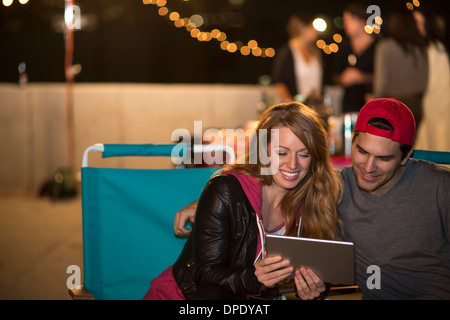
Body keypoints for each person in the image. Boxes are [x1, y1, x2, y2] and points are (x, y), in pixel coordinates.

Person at [175, 98, 450, 300]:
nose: (368, 167)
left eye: (384, 158)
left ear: (406, 155)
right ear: (351, 142)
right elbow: (243, 192)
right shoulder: (336, 186)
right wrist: (207, 204)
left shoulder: (439, 185)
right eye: (362, 152)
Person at [144, 102, 343, 300]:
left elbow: (310, 273)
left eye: (304, 154)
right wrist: (252, 279)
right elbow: (206, 276)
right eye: (281, 152)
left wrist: (314, 290)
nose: (293, 164)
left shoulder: (314, 199)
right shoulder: (226, 190)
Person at [372, 6, 428, 130]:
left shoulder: (385, 47)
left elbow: (382, 82)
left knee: (393, 146)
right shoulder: (421, 48)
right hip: (418, 105)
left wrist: (374, 103)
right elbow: (425, 81)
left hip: (393, 107)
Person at [413, 7, 450, 152]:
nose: (417, 27)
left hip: (440, 101)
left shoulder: (435, 48)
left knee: (440, 138)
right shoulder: (430, 47)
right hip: (431, 100)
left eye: (420, 22)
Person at [333, 3, 378, 113]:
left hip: (372, 104)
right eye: (345, 21)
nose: (346, 25)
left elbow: (384, 77)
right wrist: (343, 78)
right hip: (348, 106)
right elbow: (335, 76)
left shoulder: (378, 47)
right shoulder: (345, 48)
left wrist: (362, 77)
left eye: (350, 20)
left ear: (362, 21)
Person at [271, 12, 323, 103]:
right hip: (296, 110)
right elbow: (279, 83)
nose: (315, 30)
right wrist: (292, 107)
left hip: (314, 108)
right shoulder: (287, 53)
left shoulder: (315, 52)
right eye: (312, 27)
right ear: (302, 28)